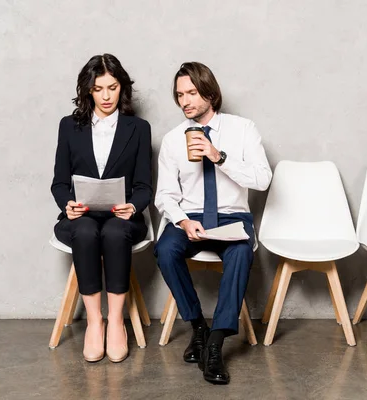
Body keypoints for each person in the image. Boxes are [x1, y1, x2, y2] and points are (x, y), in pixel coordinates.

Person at [155, 62, 272, 384]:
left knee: (240, 254)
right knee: (165, 251)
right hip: (189, 218)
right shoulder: (172, 139)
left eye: (192, 93)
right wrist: (181, 220)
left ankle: (216, 345)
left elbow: (263, 179)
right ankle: (198, 328)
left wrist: (218, 156)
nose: (185, 101)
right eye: (180, 95)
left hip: (232, 217)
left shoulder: (242, 129)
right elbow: (164, 194)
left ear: (209, 92)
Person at [51, 53, 152, 363]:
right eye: (98, 89)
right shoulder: (69, 126)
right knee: (84, 231)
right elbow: (59, 182)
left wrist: (132, 207)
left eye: (112, 87)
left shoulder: (138, 128)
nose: (106, 96)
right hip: (80, 217)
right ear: (88, 91)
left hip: (122, 218)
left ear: (122, 88)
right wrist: (66, 204)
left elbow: (144, 186)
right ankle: (96, 322)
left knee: (114, 232)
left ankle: (117, 321)